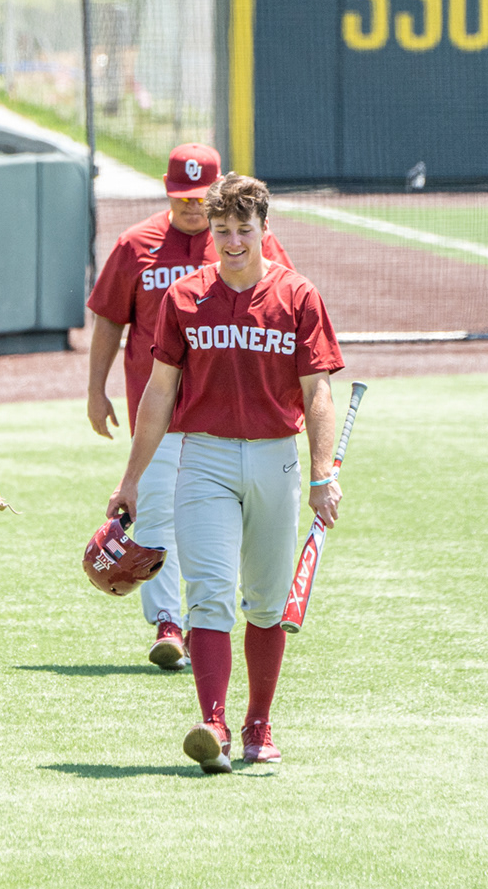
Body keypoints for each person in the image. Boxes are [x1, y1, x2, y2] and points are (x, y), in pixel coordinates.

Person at [106, 173, 342, 774]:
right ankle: (213, 722)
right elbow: (160, 393)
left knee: (264, 600)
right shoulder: (184, 297)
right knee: (208, 591)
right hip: (202, 457)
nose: (232, 241)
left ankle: (258, 723)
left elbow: (318, 392)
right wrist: (132, 477)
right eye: (222, 230)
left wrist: (321, 473)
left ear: (265, 230)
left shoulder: (298, 296)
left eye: (244, 229)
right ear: (209, 233)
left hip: (274, 457)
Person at [86, 144, 295, 671]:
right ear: (165, 188)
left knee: (221, 525)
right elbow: (110, 319)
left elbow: (285, 303)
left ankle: (225, 618)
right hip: (158, 410)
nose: (192, 208)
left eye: (201, 198)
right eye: (182, 197)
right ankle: (167, 623)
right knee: (156, 510)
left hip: (227, 418)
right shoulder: (136, 245)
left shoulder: (242, 242)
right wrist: (95, 388)